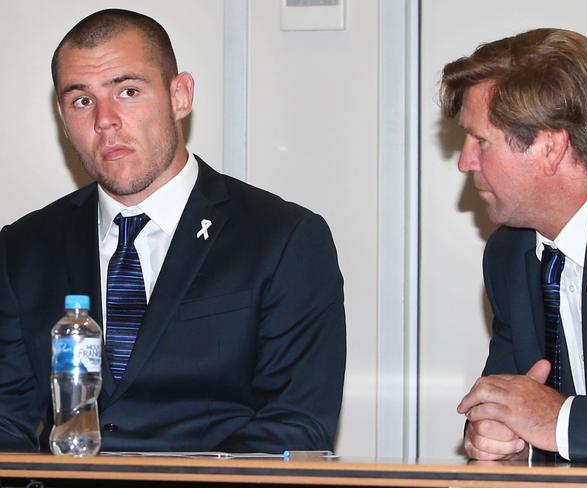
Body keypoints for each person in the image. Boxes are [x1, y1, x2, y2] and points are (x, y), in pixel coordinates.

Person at [0, 8, 346, 453]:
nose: (105, 120)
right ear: (63, 118)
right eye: (81, 101)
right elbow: (7, 423)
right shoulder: (22, 250)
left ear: (179, 96)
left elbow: (296, 424)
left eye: (127, 91)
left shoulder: (283, 239)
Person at [440, 28, 587, 462]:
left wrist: (561, 421)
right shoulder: (508, 255)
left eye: (481, 140)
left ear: (550, 148)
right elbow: (508, 399)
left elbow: (552, 419)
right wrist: (493, 430)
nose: (465, 161)